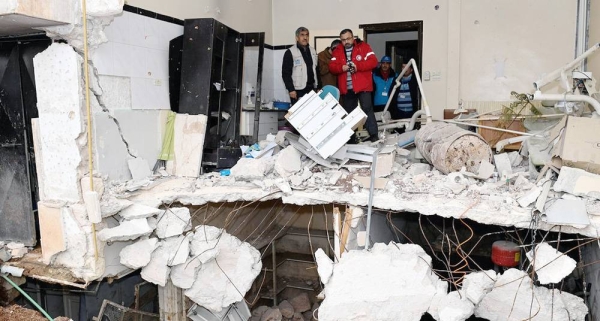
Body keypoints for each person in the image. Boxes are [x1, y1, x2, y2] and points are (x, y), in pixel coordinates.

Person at [329, 29, 379, 142]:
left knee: (367, 109)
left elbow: (374, 62)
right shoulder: (337, 51)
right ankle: (350, 139)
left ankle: (374, 135)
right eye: (343, 40)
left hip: (363, 87)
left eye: (348, 38)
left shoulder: (364, 47)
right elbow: (332, 67)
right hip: (347, 88)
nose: (346, 41)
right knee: (349, 113)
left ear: (353, 37)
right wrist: (341, 68)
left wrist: (358, 66)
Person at [282, 27, 318, 104]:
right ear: (297, 38)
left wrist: (318, 86)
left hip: (311, 88)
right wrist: (291, 89)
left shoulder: (312, 51)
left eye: (307, 35)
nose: (305, 37)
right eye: (302, 35)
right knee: (299, 114)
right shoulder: (290, 52)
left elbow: (316, 69)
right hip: (298, 90)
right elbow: (286, 73)